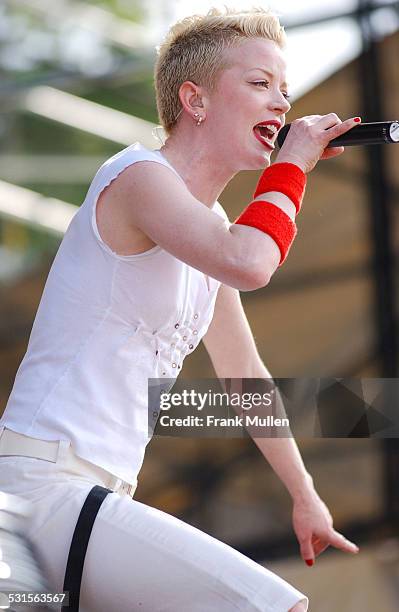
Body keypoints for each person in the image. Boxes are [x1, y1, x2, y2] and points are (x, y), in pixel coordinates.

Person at [0, 6, 361, 612]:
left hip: (89, 494)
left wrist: (305, 495)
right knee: (276, 607)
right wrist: (292, 167)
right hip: (47, 485)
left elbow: (246, 379)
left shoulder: (207, 228)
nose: (281, 104)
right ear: (194, 100)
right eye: (259, 84)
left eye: (285, 90)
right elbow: (249, 261)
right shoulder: (139, 176)